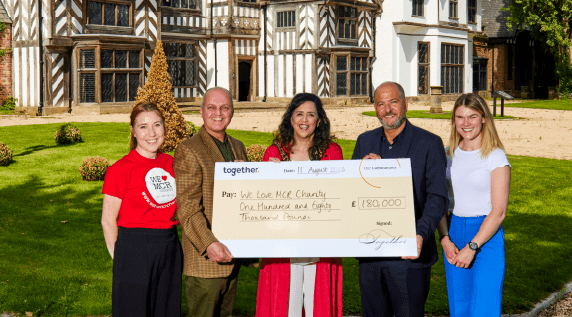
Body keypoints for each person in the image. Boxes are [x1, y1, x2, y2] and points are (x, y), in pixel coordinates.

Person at [352, 81, 448, 317]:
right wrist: (361, 172)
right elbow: (352, 195)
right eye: (380, 104)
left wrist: (420, 234)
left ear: (405, 104)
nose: (387, 110)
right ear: (375, 108)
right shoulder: (365, 141)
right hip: (371, 254)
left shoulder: (430, 143)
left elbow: (437, 198)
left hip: (410, 255)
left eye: (393, 102)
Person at [256, 93, 344, 317]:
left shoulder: (332, 153)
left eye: (311, 115)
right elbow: (261, 203)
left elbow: (340, 196)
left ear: (319, 120)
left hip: (319, 247)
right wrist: (264, 175)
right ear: (291, 118)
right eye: (300, 114)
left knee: (318, 309)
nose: (305, 120)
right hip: (284, 250)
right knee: (287, 309)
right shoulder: (274, 153)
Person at [101, 102, 181, 317]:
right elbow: (108, 220)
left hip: (170, 246)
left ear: (165, 128)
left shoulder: (173, 164)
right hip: (134, 248)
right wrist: (120, 258)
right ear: (133, 131)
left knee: (167, 310)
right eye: (143, 126)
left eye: (157, 125)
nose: (152, 133)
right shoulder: (120, 169)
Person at [174, 87, 248, 317]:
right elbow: (187, 207)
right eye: (212, 107)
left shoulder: (237, 146)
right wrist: (210, 244)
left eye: (225, 107)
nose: (219, 113)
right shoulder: (189, 149)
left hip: (233, 255)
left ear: (232, 112)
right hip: (205, 259)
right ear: (201, 112)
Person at [437, 93, 511, 317]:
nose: (465, 123)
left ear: (484, 119)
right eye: (460, 117)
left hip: (485, 237)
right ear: (454, 121)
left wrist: (473, 247)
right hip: (454, 232)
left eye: (472, 117)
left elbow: (498, 212)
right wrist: (444, 239)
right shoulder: (447, 155)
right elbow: (438, 201)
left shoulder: (495, 157)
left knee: (483, 309)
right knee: (460, 308)